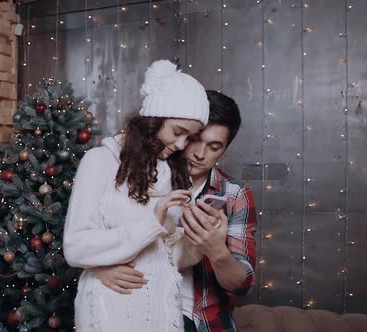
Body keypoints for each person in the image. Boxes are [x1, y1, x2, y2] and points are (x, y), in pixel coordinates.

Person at [90, 90, 257, 332]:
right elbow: (90, 237)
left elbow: (241, 285)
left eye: (213, 146)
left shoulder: (234, 194)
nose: (200, 154)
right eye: (194, 140)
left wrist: (216, 251)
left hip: (202, 323)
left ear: (224, 149)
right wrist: (100, 269)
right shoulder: (141, 177)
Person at [63, 59, 210, 331]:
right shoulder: (100, 162)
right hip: (112, 310)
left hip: (162, 311)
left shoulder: (173, 172)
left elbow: (169, 256)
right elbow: (76, 247)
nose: (181, 145)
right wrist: (151, 222)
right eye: (178, 132)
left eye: (189, 137)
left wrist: (201, 238)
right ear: (153, 120)